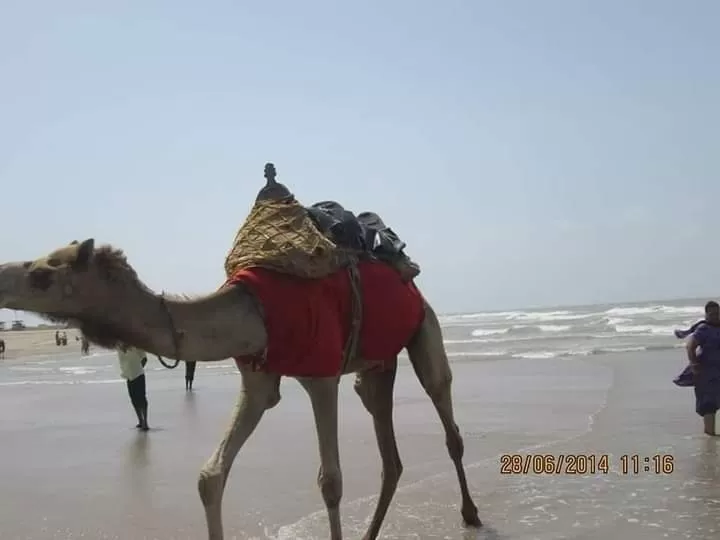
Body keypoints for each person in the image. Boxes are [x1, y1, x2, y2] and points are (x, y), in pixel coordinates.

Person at [685, 301, 720, 436]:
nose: (716, 316)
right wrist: (693, 364)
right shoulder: (703, 329)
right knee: (708, 404)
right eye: (712, 314)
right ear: (706, 315)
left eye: (718, 313)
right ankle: (710, 436)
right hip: (706, 371)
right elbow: (690, 346)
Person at [117, 343, 150, 431]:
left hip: (138, 374)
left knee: (142, 398)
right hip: (128, 375)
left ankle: (145, 422)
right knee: (133, 399)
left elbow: (144, 358)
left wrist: (139, 368)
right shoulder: (119, 347)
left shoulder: (135, 344)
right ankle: (140, 420)